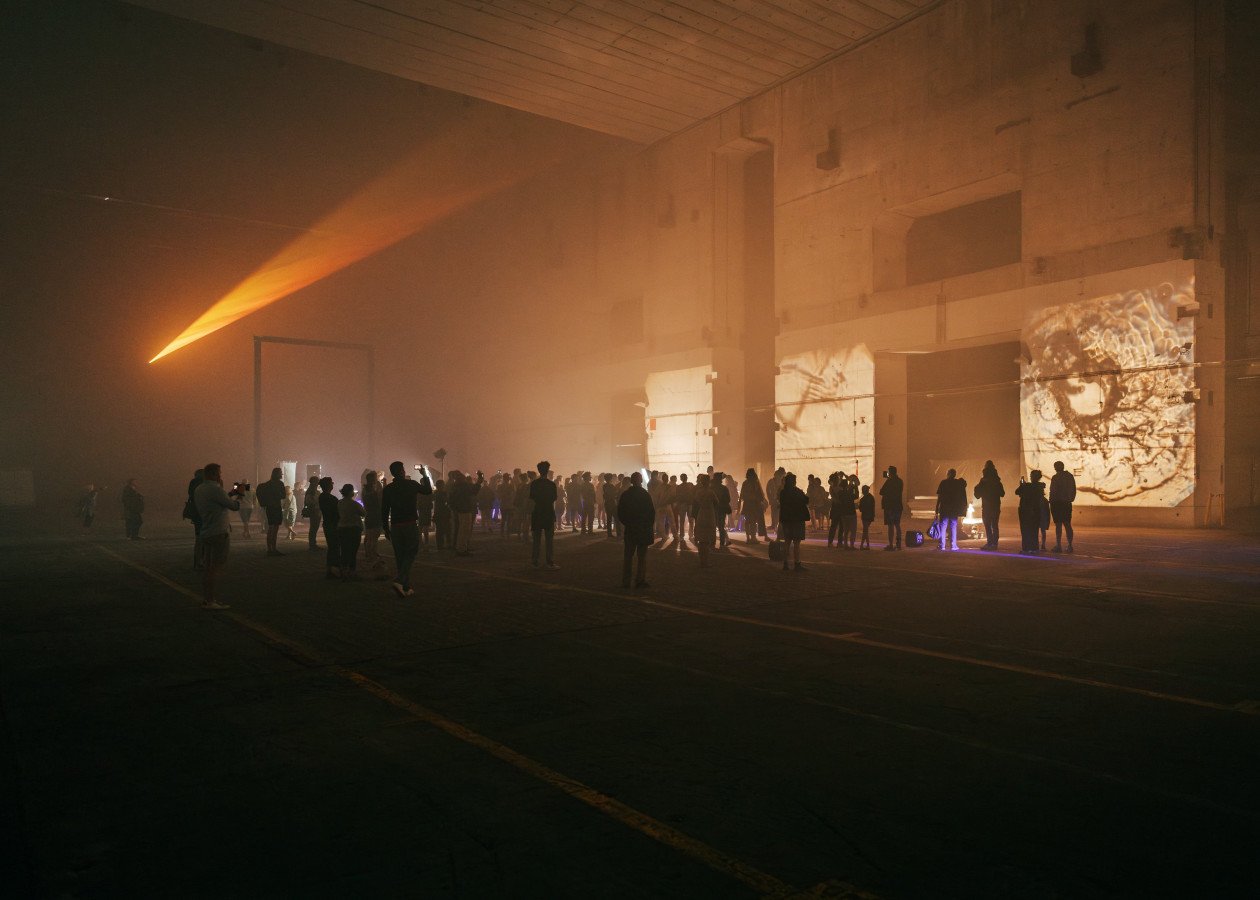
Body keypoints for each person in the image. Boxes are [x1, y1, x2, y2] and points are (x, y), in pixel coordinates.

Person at [381, 461, 431, 597]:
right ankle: (400, 580)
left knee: (400, 556)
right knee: (411, 552)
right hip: (409, 523)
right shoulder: (411, 484)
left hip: (396, 525)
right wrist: (425, 475)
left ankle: (405, 586)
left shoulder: (388, 489)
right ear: (402, 471)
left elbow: (384, 510)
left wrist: (385, 528)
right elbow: (428, 490)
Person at [193, 463, 239, 610]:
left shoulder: (200, 489)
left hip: (206, 530)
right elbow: (233, 506)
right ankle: (211, 600)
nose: (221, 476)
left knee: (208, 567)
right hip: (218, 531)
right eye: (219, 473)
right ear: (213, 474)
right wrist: (238, 497)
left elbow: (219, 501)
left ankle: (207, 599)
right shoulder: (215, 489)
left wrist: (228, 493)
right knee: (215, 567)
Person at [617, 471, 655, 588]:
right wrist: (648, 526)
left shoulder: (625, 495)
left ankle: (626, 581)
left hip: (631, 529)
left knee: (628, 556)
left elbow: (620, 512)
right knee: (641, 557)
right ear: (641, 481)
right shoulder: (645, 494)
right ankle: (640, 580)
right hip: (642, 529)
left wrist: (627, 523)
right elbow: (651, 513)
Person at [529, 460, 559, 569]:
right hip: (548, 513)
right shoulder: (551, 485)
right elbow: (554, 498)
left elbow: (532, 498)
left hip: (537, 513)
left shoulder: (534, 484)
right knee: (549, 540)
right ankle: (549, 562)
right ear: (547, 471)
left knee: (536, 540)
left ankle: (535, 561)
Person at [777, 472, 810, 571]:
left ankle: (785, 563)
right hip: (796, 519)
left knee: (787, 542)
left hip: (786, 519)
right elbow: (806, 500)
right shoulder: (797, 491)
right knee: (796, 543)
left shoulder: (783, 492)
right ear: (794, 482)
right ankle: (797, 563)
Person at [973, 461, 1005, 550]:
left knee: (987, 525)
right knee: (994, 525)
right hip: (995, 506)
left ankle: (990, 543)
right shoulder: (997, 482)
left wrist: (978, 488)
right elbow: (1002, 493)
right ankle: (994, 544)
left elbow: (977, 495)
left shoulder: (983, 482)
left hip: (986, 506)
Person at [255, 467, 286, 557]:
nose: (282, 475)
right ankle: (273, 548)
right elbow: (283, 496)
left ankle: (270, 549)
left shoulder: (267, 484)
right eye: (280, 473)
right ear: (277, 474)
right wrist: (277, 494)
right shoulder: (280, 484)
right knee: (275, 529)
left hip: (269, 507)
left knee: (271, 528)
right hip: (276, 507)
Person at [935, 468, 968, 551]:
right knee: (953, 526)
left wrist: (937, 508)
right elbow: (964, 485)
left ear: (948, 474)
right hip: (954, 508)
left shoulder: (943, 483)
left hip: (944, 508)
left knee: (943, 526)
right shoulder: (957, 483)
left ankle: (942, 545)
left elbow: (940, 497)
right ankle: (953, 545)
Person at [337, 484, 365, 579]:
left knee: (344, 550)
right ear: (350, 492)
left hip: (342, 528)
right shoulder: (354, 504)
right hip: (354, 529)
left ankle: (343, 570)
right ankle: (352, 571)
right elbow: (363, 513)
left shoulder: (339, 503)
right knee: (353, 551)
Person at [691, 473, 719, 567]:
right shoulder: (711, 492)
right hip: (709, 514)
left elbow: (696, 501)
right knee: (707, 539)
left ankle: (701, 560)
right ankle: (705, 561)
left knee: (701, 539)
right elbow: (716, 502)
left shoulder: (698, 492)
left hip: (701, 513)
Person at [1015, 470, 1046, 554]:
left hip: (1031, 510)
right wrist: (1022, 485)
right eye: (1032, 475)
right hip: (1027, 510)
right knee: (1029, 530)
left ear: (1037, 477)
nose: (1032, 477)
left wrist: (1022, 485)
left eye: (1033, 476)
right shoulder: (1034, 486)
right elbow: (1017, 492)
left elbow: (1019, 492)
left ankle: (1030, 548)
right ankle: (1029, 548)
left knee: (1030, 530)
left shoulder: (1034, 487)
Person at [1049, 460, 1077, 553]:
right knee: (1067, 524)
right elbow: (1074, 489)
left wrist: (1051, 501)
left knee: (1058, 525)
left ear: (1056, 467)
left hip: (1057, 503)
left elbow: (1053, 491)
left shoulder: (1055, 477)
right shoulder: (1070, 476)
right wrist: (1070, 499)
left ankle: (1058, 545)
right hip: (1066, 503)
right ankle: (1070, 545)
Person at [317, 477, 340, 579]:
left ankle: (330, 569)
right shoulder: (331, 498)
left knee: (332, 547)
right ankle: (333, 569)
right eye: (331, 483)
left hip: (328, 523)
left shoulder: (322, 497)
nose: (333, 484)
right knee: (334, 547)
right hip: (333, 524)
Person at [361, 470, 384, 568]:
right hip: (375, 515)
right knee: (374, 537)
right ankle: (372, 555)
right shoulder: (373, 491)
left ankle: (369, 553)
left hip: (369, 515)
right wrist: (382, 487)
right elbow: (380, 499)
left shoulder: (365, 490)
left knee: (369, 536)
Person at [879, 466, 904, 550]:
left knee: (890, 526)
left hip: (889, 506)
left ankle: (890, 544)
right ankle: (899, 544)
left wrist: (888, 480)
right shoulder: (900, 481)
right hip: (898, 506)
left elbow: (881, 491)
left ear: (890, 473)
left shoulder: (889, 481)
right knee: (897, 525)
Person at [740, 468, 767, 543]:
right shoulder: (755, 482)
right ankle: (753, 537)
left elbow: (742, 495)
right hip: (754, 505)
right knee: (752, 521)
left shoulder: (745, 483)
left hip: (747, 504)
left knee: (748, 521)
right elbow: (760, 494)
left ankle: (748, 538)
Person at [184, 469, 204, 569]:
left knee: (198, 537)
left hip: (196, 513)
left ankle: (197, 560)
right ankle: (202, 560)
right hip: (204, 513)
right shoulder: (204, 484)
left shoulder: (192, 482)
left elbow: (190, 494)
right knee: (204, 537)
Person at [302, 474, 322, 551]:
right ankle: (312, 544)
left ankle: (313, 544)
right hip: (314, 511)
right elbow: (309, 501)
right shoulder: (311, 491)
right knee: (314, 528)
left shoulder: (312, 491)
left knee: (314, 528)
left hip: (316, 510)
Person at [712, 472, 732, 548]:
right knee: (721, 526)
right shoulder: (724, 488)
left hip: (714, 509)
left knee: (713, 526)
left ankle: (712, 542)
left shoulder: (712, 488)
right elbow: (728, 499)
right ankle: (722, 542)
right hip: (722, 509)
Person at [432, 479, 451, 550]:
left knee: (439, 531)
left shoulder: (435, 493)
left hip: (438, 514)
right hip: (444, 514)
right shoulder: (443, 493)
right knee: (446, 529)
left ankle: (440, 545)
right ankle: (446, 544)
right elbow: (446, 502)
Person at [858, 485, 875, 549]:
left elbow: (861, 509)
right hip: (870, 516)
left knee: (865, 531)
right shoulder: (872, 498)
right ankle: (867, 545)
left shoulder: (863, 499)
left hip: (865, 516)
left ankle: (862, 545)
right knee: (866, 530)